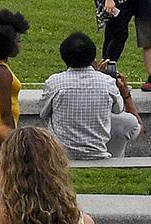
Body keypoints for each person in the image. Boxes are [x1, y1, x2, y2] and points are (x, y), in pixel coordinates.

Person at [38, 32, 141, 161]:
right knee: (126, 121)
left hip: (61, 155)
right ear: (93, 57)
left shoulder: (54, 82)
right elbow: (118, 109)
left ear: (64, 56)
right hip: (98, 153)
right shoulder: (107, 82)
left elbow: (43, 113)